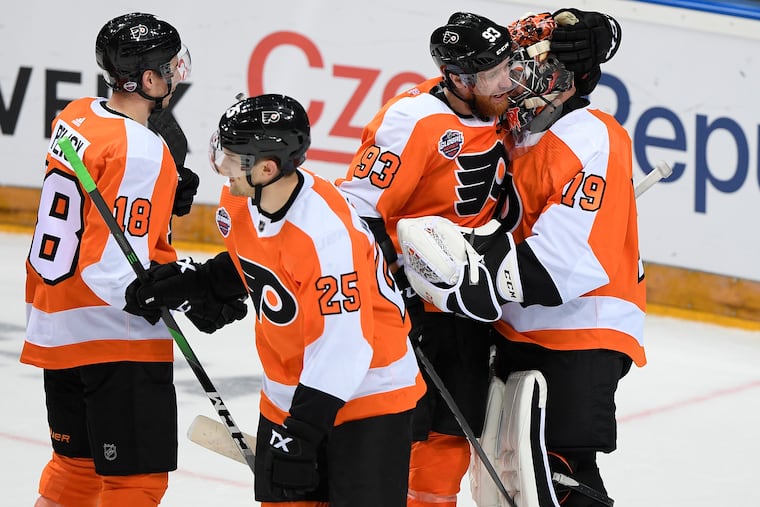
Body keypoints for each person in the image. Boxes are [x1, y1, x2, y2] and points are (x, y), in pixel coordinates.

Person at [335, 8, 622, 507]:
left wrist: (575, 46)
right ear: (459, 80)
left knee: (453, 430)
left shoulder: (501, 112)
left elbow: (556, 79)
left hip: (470, 303)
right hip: (415, 305)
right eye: (493, 74)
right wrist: (395, 287)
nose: (509, 82)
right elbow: (356, 210)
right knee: (405, 424)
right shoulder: (413, 119)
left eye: (510, 66)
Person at [123, 93, 426, 506]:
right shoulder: (241, 199)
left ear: (267, 168)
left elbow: (346, 347)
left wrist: (300, 435)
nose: (223, 166)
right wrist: (200, 283)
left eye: (233, 157)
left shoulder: (326, 235)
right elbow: (261, 262)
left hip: (367, 398)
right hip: (291, 394)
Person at [20, 12, 200, 507]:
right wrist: (186, 290)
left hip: (57, 319)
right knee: (135, 484)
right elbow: (119, 270)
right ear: (147, 79)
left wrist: (163, 195)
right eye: (168, 65)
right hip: (113, 336)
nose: (175, 72)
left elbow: (96, 209)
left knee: (74, 472)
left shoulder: (76, 114)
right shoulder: (143, 151)